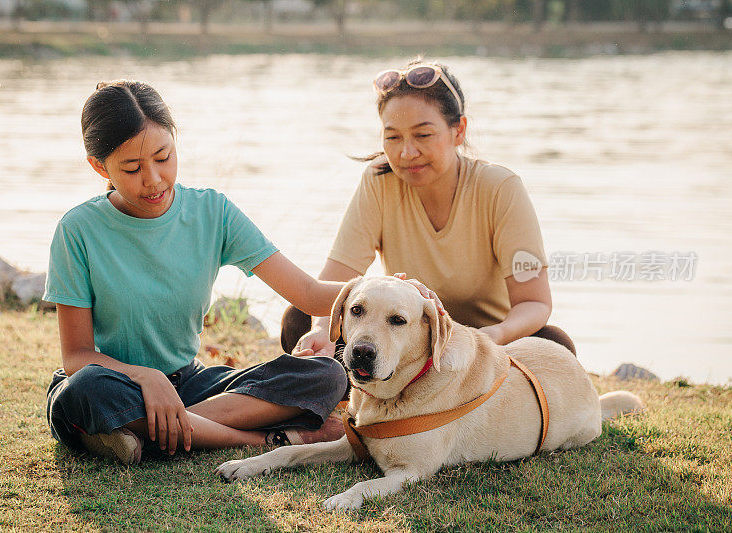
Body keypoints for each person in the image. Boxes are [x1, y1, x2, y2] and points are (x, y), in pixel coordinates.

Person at [44, 80, 440, 465]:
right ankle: (255, 439)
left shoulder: (212, 213)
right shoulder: (78, 231)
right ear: (100, 166)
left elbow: (307, 292)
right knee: (81, 392)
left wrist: (388, 287)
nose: (154, 179)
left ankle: (145, 431)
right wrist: (146, 378)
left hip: (190, 386)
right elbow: (77, 355)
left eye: (163, 157)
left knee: (325, 375)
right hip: (114, 383)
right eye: (132, 168)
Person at [282, 59, 576, 361]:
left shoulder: (501, 188)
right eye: (393, 137)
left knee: (554, 345)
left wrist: (493, 335)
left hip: (485, 348)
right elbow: (334, 282)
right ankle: (346, 396)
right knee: (299, 321)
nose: (406, 152)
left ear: (458, 131)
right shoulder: (379, 180)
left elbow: (534, 303)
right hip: (405, 344)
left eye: (422, 135)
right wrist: (321, 329)